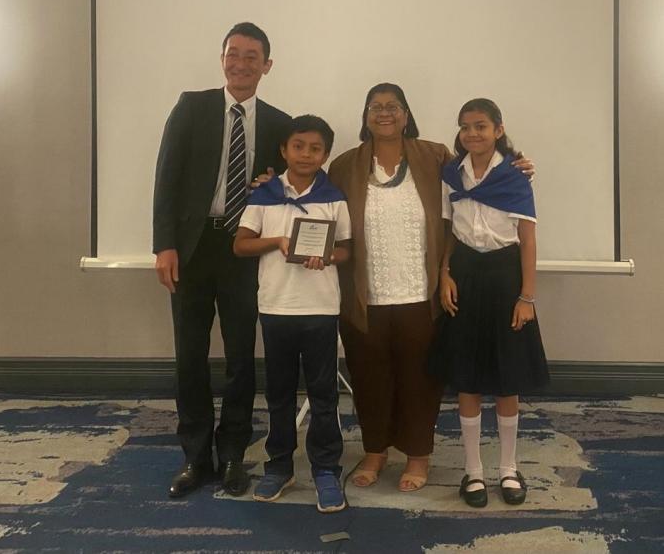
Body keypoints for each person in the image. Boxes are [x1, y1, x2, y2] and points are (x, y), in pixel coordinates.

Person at [327, 84, 535, 493]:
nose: (384, 113)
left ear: (406, 115)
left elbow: (476, 180)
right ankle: (375, 451)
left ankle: (418, 456)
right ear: (365, 115)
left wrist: (517, 164)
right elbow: (316, 197)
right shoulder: (345, 165)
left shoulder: (434, 156)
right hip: (365, 294)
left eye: (393, 106)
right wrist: (271, 183)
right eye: (375, 106)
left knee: (420, 379)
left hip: (421, 293)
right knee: (368, 376)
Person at [152, 22, 290, 498]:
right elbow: (166, 178)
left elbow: (291, 190)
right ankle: (195, 455)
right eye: (233, 53)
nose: (241, 63)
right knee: (189, 355)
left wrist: (272, 188)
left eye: (252, 56)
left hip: (242, 252)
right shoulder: (192, 107)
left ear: (266, 66)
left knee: (240, 358)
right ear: (222, 59)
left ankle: (232, 453)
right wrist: (164, 245)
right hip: (191, 250)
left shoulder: (280, 123)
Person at [430, 98, 549, 507]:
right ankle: (474, 471)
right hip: (464, 274)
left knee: (505, 378)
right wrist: (445, 273)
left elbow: (528, 240)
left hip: (504, 277)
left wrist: (526, 297)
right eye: (465, 127)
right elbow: (449, 230)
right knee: (467, 377)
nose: (472, 134)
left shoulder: (516, 176)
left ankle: (508, 469)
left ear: (498, 130)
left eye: (480, 126)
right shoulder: (451, 174)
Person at [233, 115, 352, 513]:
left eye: (315, 148)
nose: (305, 154)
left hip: (321, 307)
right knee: (280, 393)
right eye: (298, 146)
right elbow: (241, 245)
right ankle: (279, 466)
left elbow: (346, 250)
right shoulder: (264, 194)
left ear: (325, 155)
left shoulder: (334, 197)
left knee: (323, 394)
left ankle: (326, 469)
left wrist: (326, 256)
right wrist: (278, 241)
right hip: (276, 307)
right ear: (284, 150)